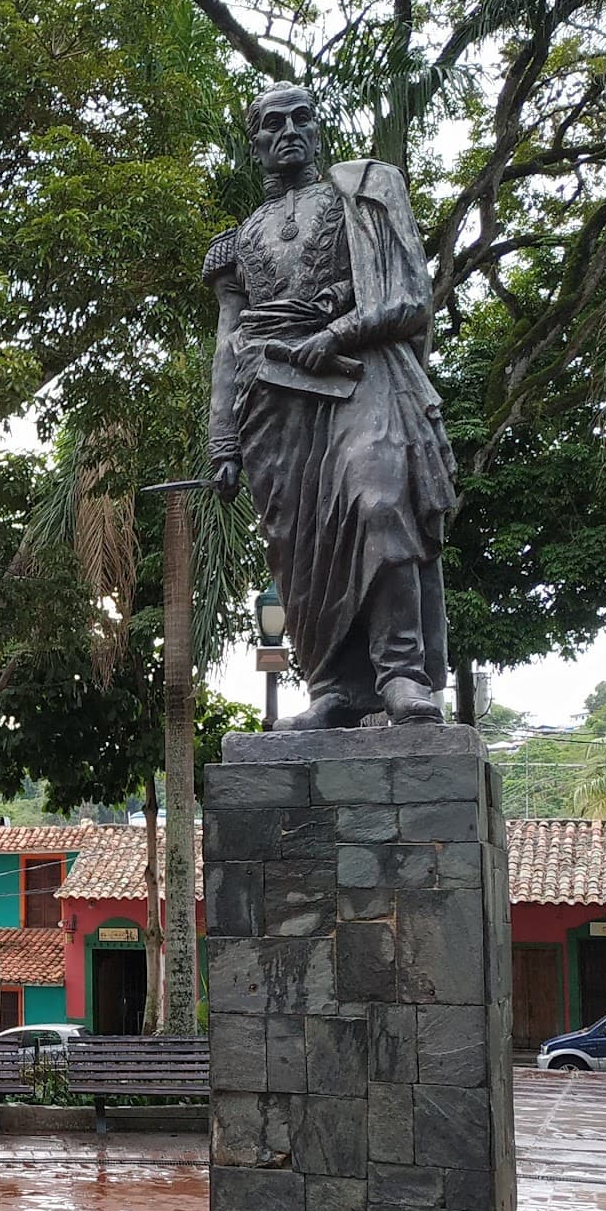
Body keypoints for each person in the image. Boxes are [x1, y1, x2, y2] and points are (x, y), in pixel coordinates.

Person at [206, 82, 454, 729]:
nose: (287, 131)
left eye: (301, 118)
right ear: (254, 141)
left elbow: (410, 299)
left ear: (318, 129)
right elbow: (229, 345)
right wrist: (223, 439)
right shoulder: (237, 242)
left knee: (378, 501)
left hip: (361, 372)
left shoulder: (360, 196)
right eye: (271, 123)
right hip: (274, 403)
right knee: (302, 549)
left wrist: (337, 331)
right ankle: (332, 688)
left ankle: (401, 673)